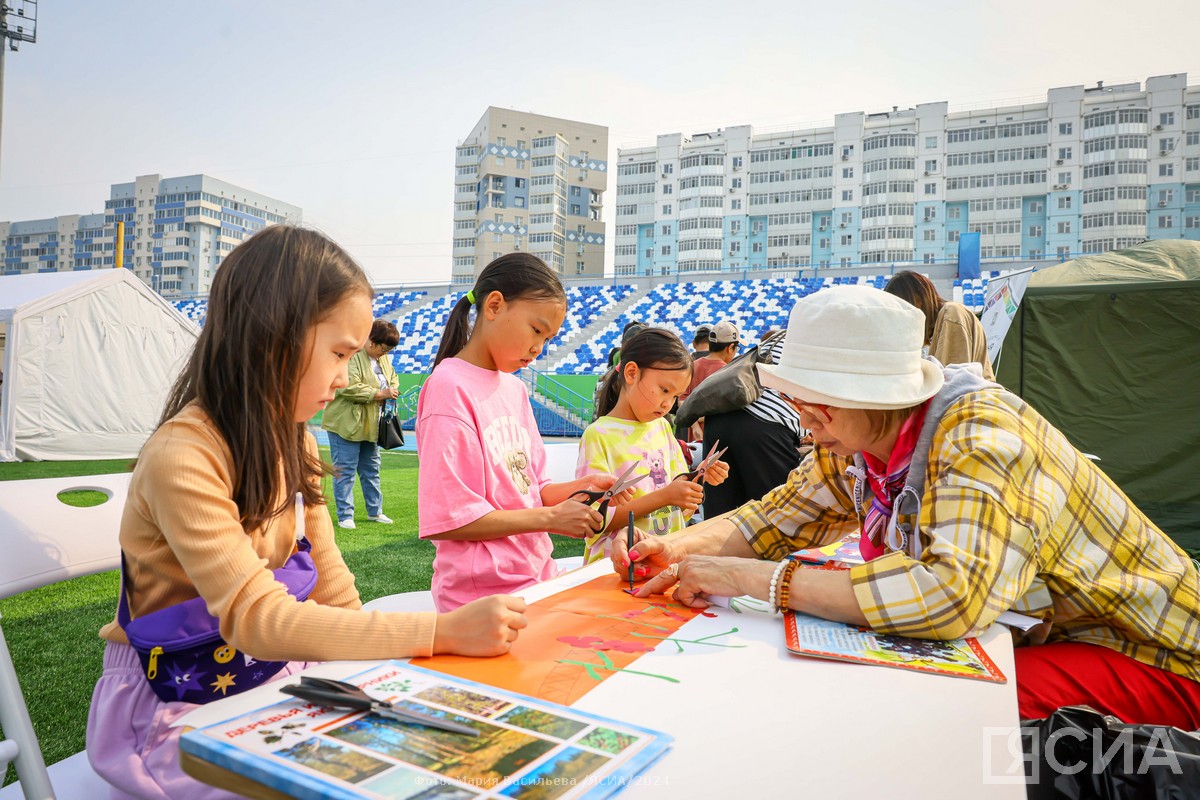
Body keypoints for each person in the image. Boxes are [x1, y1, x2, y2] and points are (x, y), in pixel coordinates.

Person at [620, 285, 1200, 729]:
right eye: (797, 396)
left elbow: (948, 599)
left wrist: (754, 578)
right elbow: (773, 519)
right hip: (1054, 635)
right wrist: (674, 547)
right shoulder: (855, 436)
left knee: (946, 714)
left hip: (1147, 653)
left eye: (820, 399)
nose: (805, 416)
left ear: (881, 395)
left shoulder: (982, 436)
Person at [87, 226, 528, 800]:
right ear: (272, 336)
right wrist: (438, 632)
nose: (346, 377)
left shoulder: (298, 444)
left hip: (279, 676)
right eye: (341, 353)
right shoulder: (183, 455)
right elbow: (255, 620)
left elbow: (332, 585)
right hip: (179, 702)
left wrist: (373, 680)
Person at [418, 254, 634, 612]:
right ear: (495, 305)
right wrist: (551, 519)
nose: (539, 348)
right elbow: (449, 518)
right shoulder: (448, 386)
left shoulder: (515, 390)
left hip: (536, 578)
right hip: (481, 600)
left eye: (548, 338)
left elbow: (532, 490)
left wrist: (583, 488)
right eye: (536, 330)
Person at [578, 328, 729, 564]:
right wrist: (665, 497)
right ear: (631, 373)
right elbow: (595, 519)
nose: (668, 404)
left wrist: (698, 479)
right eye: (664, 390)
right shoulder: (598, 435)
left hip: (661, 559)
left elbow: (678, 491)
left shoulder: (661, 427)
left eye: (676, 396)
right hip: (614, 567)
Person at [700, 330, 803, 517]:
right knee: (774, 513)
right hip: (765, 427)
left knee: (721, 513)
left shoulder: (781, 338)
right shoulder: (817, 345)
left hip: (721, 414)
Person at [321, 318, 401, 529]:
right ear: (371, 341)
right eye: (383, 349)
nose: (384, 354)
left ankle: (375, 512)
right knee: (345, 470)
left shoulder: (383, 360)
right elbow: (346, 386)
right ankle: (345, 515)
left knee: (371, 469)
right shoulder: (352, 355)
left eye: (387, 351)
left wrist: (391, 389)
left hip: (370, 424)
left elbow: (393, 378)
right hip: (345, 424)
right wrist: (379, 393)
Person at [884, 270, 995, 380]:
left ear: (918, 300)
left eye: (901, 310)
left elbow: (948, 384)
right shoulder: (945, 319)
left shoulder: (951, 314)